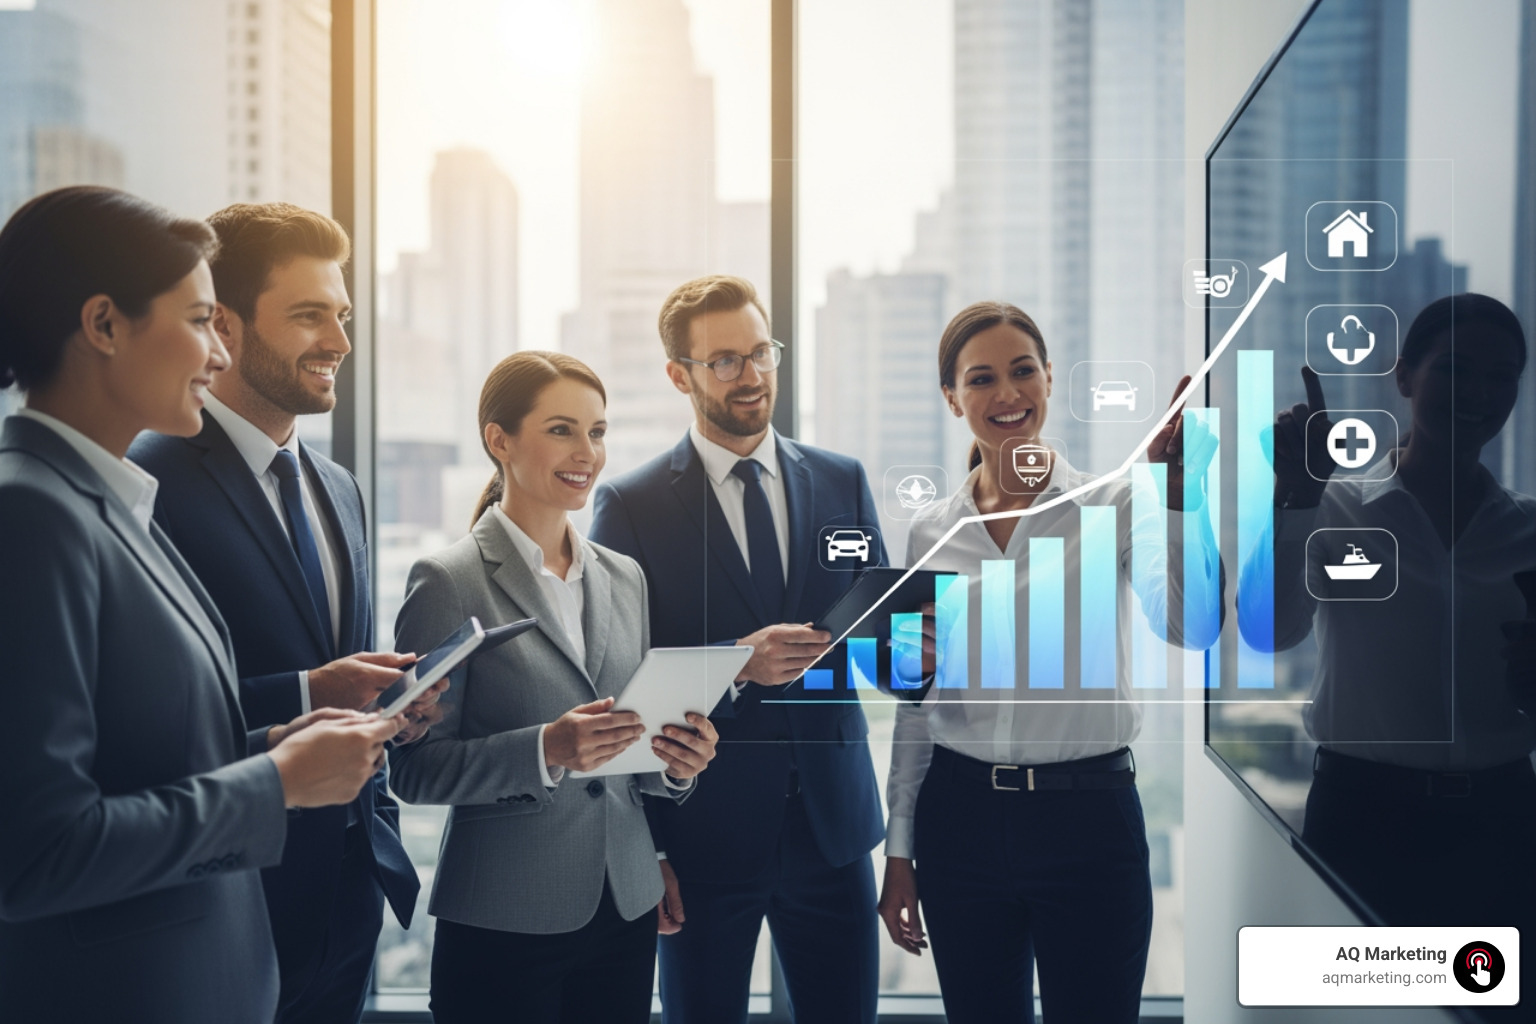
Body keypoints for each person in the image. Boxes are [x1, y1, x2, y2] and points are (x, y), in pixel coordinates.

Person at [0, 185, 401, 1022]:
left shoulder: (106, 501)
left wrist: (280, 741)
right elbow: (33, 850)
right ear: (104, 325)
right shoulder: (30, 514)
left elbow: (147, 751)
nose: (215, 355)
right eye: (195, 321)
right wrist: (274, 782)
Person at [876, 301, 1222, 1024]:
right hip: (960, 821)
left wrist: (1180, 497)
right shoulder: (932, 530)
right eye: (982, 378)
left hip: (1088, 822)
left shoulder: (1117, 502)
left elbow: (1192, 627)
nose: (1007, 394)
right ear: (952, 397)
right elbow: (917, 702)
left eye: (1022, 370)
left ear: (1050, 378)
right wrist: (900, 850)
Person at [128, 202, 431, 1024]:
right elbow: (145, 725)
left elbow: (340, 674)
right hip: (227, 898)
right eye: (308, 316)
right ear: (222, 325)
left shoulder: (341, 489)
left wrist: (389, 707)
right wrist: (306, 693)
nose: (338, 341)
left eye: (342, 316)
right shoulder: (142, 481)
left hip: (348, 895)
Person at [388, 350, 719, 1024]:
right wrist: (546, 748)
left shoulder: (624, 576)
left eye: (597, 432)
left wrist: (678, 764)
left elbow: (630, 757)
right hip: (503, 917)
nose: (587, 452)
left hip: (623, 905)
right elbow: (414, 769)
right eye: (563, 429)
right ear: (498, 440)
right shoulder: (448, 580)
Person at [589, 275, 886, 1024]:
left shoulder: (843, 479)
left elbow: (879, 637)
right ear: (678, 375)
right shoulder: (630, 504)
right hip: (700, 838)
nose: (751, 375)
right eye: (724, 360)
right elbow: (614, 677)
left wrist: (912, 642)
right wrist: (736, 661)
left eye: (761, 352)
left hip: (833, 830)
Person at [1247, 294, 1535, 1021]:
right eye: (1455, 369)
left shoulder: (1526, 530)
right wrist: (1297, 494)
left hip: (1501, 820)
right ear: (1404, 377)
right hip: (1365, 816)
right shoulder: (1337, 502)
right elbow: (1273, 631)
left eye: (1501, 377)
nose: (1478, 394)